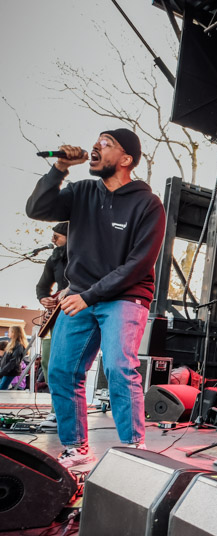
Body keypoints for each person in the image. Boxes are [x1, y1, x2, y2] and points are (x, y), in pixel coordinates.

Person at [25, 128, 166, 468]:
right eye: (96, 142)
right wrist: (59, 169)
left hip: (125, 296)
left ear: (126, 159)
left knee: (119, 366)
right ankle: (76, 447)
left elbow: (138, 265)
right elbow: (37, 208)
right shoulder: (82, 191)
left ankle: (134, 447)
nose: (95, 147)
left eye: (106, 144)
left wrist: (89, 296)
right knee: (60, 369)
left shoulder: (148, 204)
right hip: (79, 297)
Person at [36, 221, 69, 394]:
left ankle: (62, 409)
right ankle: (55, 406)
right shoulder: (53, 259)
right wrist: (44, 299)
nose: (53, 240)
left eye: (57, 237)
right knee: (47, 358)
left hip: (77, 313)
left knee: (65, 363)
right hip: (56, 315)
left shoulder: (85, 256)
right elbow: (42, 287)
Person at [0, 325, 29, 390]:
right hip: (6, 371)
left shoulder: (18, 345)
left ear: (14, 333)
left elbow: (14, 361)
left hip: (10, 372)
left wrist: (2, 372)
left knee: (2, 389)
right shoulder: (12, 344)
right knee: (2, 389)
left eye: (10, 331)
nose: (8, 333)